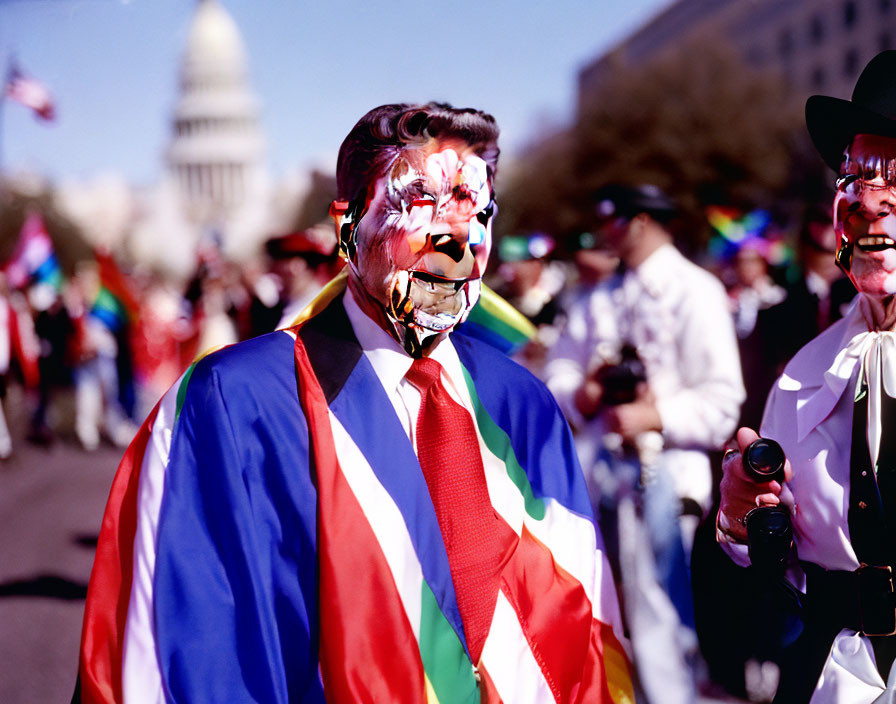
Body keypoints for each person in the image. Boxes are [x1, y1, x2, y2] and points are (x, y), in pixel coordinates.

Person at [73, 102, 633, 703]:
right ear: (347, 228)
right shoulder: (233, 408)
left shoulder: (526, 406)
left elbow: (583, 639)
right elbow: (191, 659)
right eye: (421, 203)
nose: (459, 243)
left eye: (478, 210)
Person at [718, 50, 896, 702]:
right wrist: (740, 522)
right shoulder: (804, 373)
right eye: (855, 178)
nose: (872, 204)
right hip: (830, 676)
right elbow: (777, 569)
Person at [545, 183, 744, 703]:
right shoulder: (599, 296)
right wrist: (583, 392)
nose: (604, 233)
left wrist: (656, 414)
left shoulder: (693, 290)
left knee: (658, 610)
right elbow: (560, 371)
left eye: (613, 222)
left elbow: (724, 399)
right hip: (599, 473)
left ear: (638, 223)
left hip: (667, 472)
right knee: (603, 606)